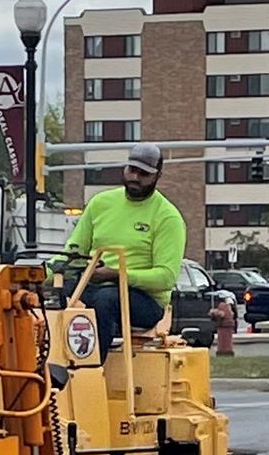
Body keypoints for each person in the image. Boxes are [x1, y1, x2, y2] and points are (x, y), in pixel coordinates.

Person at [64, 141, 186, 354]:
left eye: (144, 174)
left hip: (145, 301)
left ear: (157, 176)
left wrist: (117, 274)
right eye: (132, 170)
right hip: (95, 285)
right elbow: (73, 251)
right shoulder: (100, 203)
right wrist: (38, 275)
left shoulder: (168, 217)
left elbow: (166, 277)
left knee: (106, 300)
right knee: (53, 295)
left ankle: (90, 368)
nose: (135, 178)